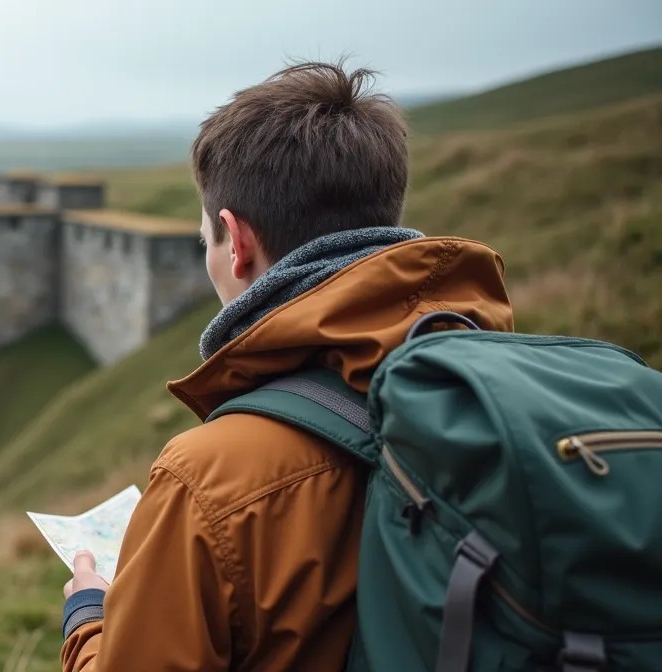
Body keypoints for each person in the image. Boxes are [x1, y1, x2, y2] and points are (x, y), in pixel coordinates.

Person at [58, 60, 514, 670]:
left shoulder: (211, 479)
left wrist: (89, 619)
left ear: (236, 241)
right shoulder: (505, 389)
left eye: (206, 243)